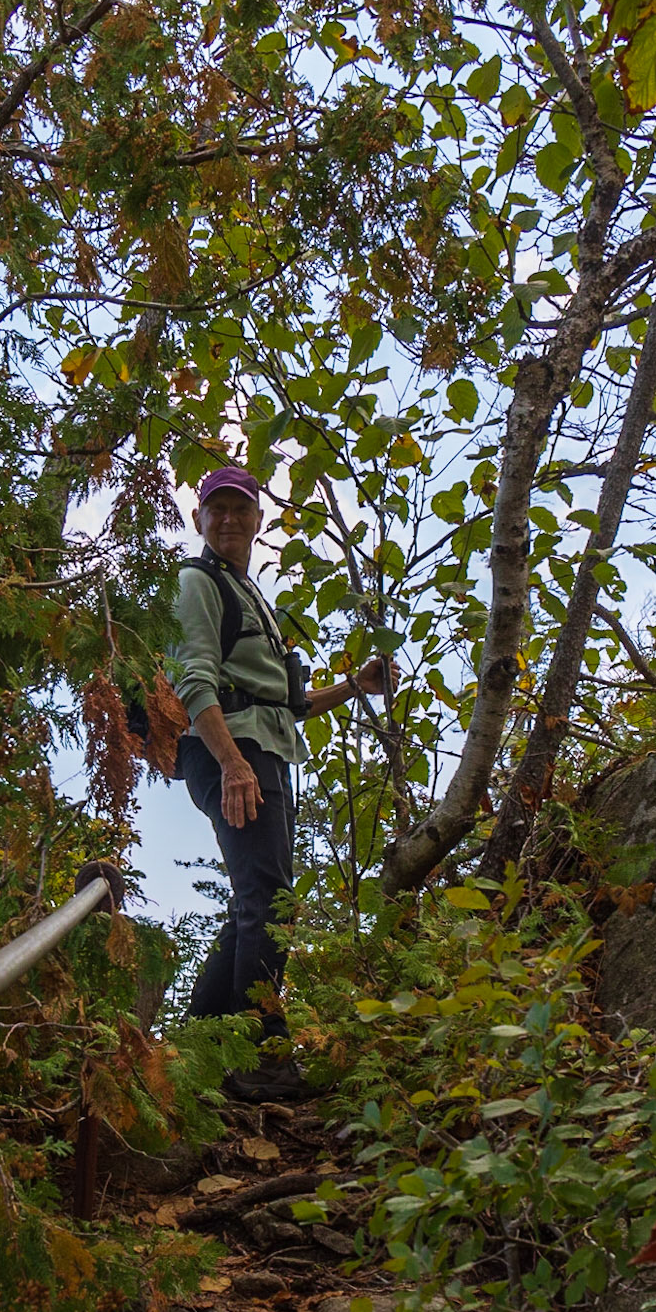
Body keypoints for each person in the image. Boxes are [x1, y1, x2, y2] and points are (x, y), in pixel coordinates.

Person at [171, 464, 395, 1101]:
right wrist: (232, 763)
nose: (230, 519)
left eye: (241, 509)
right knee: (267, 904)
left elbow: (283, 705)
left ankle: (203, 1046)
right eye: (217, 510)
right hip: (233, 752)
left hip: (264, 748)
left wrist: (354, 686)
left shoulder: (251, 598)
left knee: (257, 902)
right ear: (200, 521)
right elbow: (195, 679)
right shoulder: (197, 580)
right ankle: (261, 1057)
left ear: (258, 521)